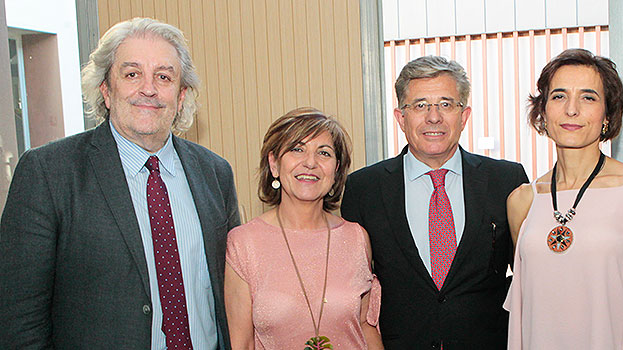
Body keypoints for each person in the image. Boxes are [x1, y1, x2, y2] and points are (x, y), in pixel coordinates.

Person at [0, 17, 241, 349]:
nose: (149, 89)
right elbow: (19, 321)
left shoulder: (215, 173)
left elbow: (232, 298)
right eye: (132, 74)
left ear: (181, 95)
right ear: (106, 90)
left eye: (164, 77)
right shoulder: (48, 173)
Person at [341, 56, 529, 349]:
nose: (433, 117)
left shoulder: (506, 180)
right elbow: (351, 291)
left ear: (464, 116)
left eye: (445, 104)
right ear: (401, 118)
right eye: (420, 105)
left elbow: (529, 277)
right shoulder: (364, 188)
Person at [503, 48, 623, 349]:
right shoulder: (522, 202)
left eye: (588, 97)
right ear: (543, 110)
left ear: (607, 114)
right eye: (559, 96)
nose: (571, 110)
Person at [225, 107, 383, 350]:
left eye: (324, 153)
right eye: (297, 149)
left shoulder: (356, 238)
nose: (310, 162)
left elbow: (366, 326)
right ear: (274, 164)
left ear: (336, 170)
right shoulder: (243, 244)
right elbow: (241, 343)